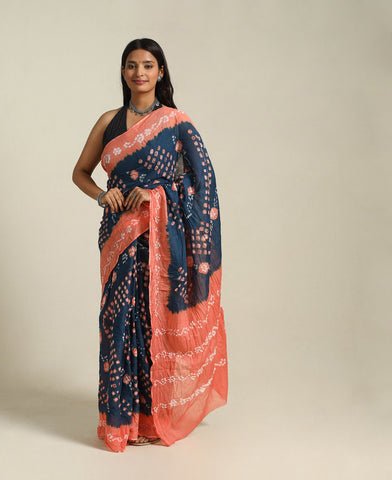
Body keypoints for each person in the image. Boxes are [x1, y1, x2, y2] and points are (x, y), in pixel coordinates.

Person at [72, 38, 228, 453]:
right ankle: (120, 420)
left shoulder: (176, 122)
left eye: (147, 65)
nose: (139, 72)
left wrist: (156, 194)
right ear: (123, 72)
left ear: (160, 72)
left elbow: (203, 184)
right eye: (131, 65)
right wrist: (103, 195)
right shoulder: (109, 121)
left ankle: (151, 417)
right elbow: (81, 172)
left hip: (159, 237)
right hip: (117, 237)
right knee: (118, 322)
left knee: (149, 320)